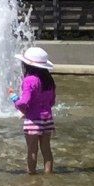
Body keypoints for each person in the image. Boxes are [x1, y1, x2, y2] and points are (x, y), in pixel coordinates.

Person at [11, 46, 57, 174]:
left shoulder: (29, 80)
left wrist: (13, 98)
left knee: (32, 150)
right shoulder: (49, 80)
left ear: (27, 65)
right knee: (46, 149)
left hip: (33, 121)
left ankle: (31, 176)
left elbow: (24, 102)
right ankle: (49, 174)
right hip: (47, 119)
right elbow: (52, 101)